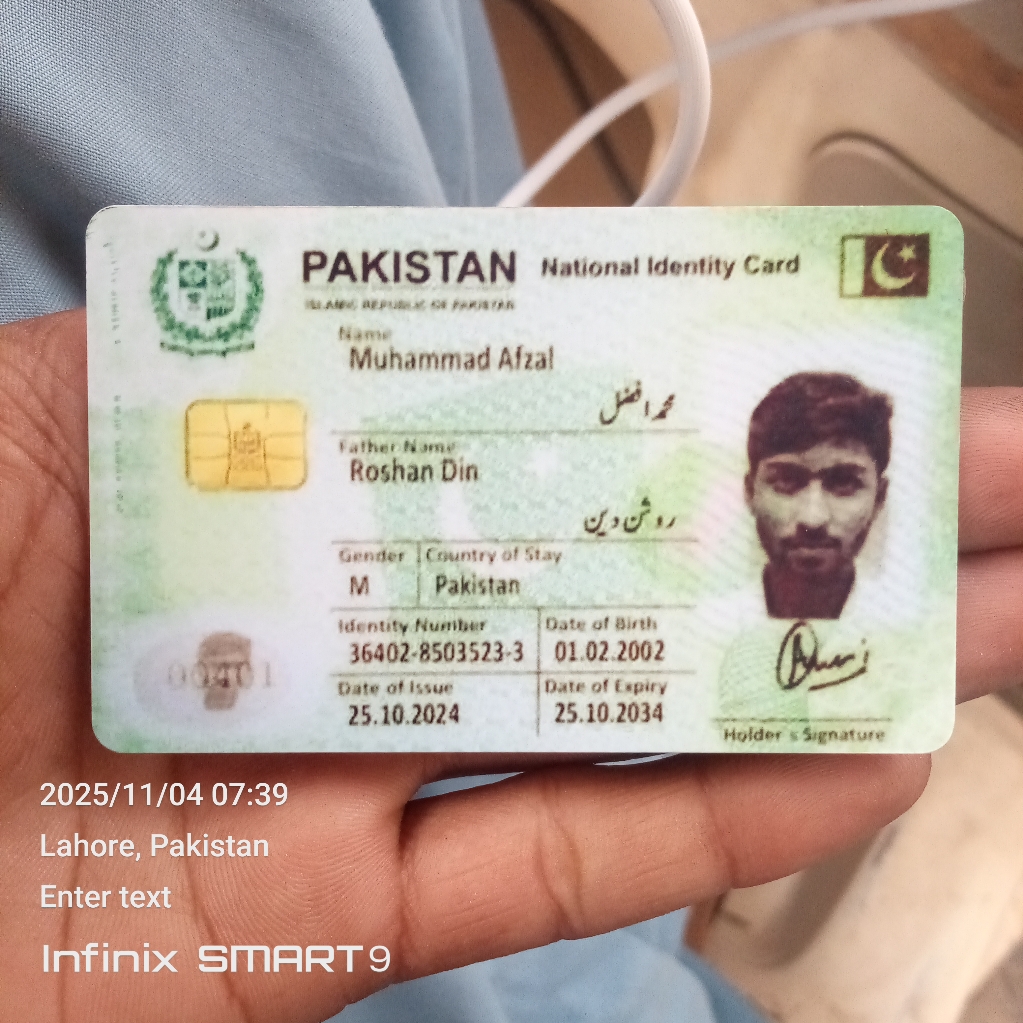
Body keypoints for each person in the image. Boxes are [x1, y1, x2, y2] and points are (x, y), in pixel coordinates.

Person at [2, 5, 1023, 1023]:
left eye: (842, 481)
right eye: (787, 476)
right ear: (745, 481)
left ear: (879, 490)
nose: (809, 510)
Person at [745, 372, 892, 620]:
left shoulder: (917, 633)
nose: (812, 519)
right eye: (786, 482)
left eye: (844, 483)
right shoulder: (699, 629)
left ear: (879, 498)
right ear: (750, 492)